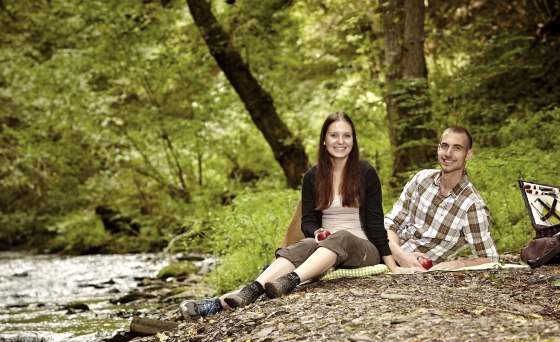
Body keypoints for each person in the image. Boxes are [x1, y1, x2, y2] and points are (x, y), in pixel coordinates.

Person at [179, 111, 421, 320]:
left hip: (364, 248)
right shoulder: (313, 176)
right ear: (324, 140)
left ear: (353, 141)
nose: (340, 141)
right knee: (303, 245)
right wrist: (315, 232)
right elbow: (308, 221)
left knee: (343, 236)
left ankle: (291, 280)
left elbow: (376, 224)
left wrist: (393, 267)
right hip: (325, 245)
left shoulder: (366, 172)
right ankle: (250, 290)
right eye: (334, 135)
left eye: (346, 135)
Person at [384, 126, 499, 270]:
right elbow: (390, 225)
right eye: (445, 146)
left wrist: (455, 264)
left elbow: (490, 259)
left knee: (348, 243)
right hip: (384, 249)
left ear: (468, 154)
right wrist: (400, 255)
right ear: (438, 148)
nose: (448, 153)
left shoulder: (471, 205)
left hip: (406, 265)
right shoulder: (421, 179)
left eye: (457, 148)